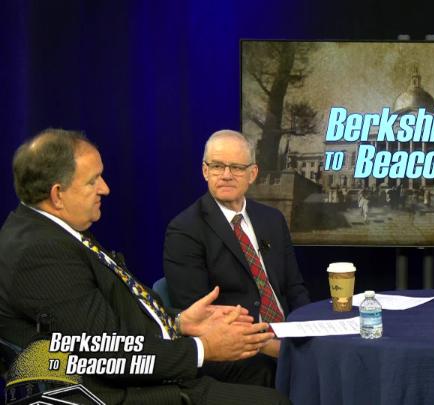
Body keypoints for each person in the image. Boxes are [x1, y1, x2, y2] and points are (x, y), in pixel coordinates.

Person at [0, 129, 290, 404]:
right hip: (121, 392)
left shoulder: (58, 231)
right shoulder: (39, 253)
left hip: (143, 365)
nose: (105, 188)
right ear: (57, 195)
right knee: (273, 400)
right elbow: (108, 354)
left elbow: (111, 317)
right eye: (93, 180)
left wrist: (178, 322)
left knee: (261, 371)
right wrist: (203, 348)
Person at [163, 130, 310, 358]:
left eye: (237, 168)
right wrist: (272, 349)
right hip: (240, 351)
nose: (226, 175)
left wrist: (308, 332)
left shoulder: (272, 219)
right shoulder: (185, 230)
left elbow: (295, 288)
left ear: (252, 174)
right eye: (217, 166)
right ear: (205, 171)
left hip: (288, 335)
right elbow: (199, 317)